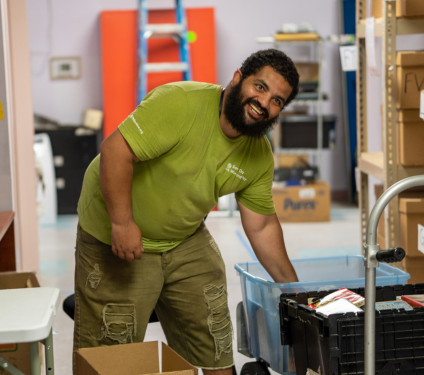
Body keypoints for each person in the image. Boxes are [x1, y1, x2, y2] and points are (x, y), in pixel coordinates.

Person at [74, 49, 300, 374]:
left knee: (214, 338)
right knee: (109, 357)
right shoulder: (180, 102)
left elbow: (262, 226)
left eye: (277, 100)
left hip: (184, 238)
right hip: (115, 226)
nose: (264, 103)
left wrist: (296, 293)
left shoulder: (259, 155)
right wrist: (122, 222)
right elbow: (114, 151)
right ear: (237, 78)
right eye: (260, 87)